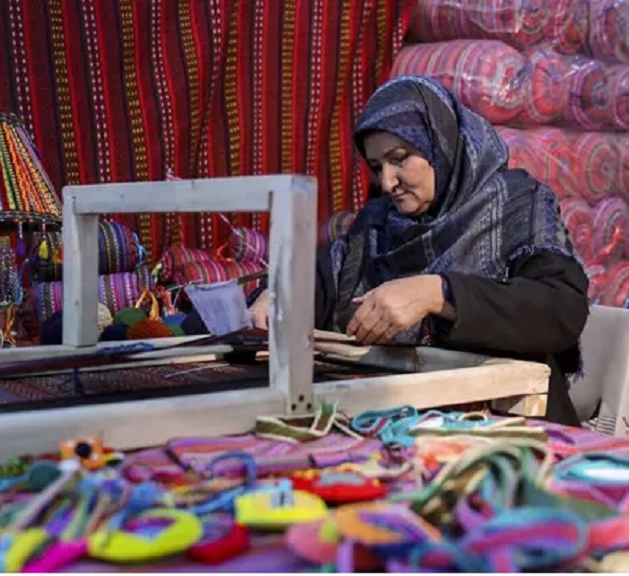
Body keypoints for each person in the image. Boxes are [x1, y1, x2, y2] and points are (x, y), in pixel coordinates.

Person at [250, 76, 589, 426]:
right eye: (378, 166)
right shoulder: (379, 224)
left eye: (399, 159)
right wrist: (277, 295)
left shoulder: (516, 204)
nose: (387, 182)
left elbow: (561, 308)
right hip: (400, 424)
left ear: (440, 143)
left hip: (511, 425)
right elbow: (318, 283)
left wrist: (439, 292)